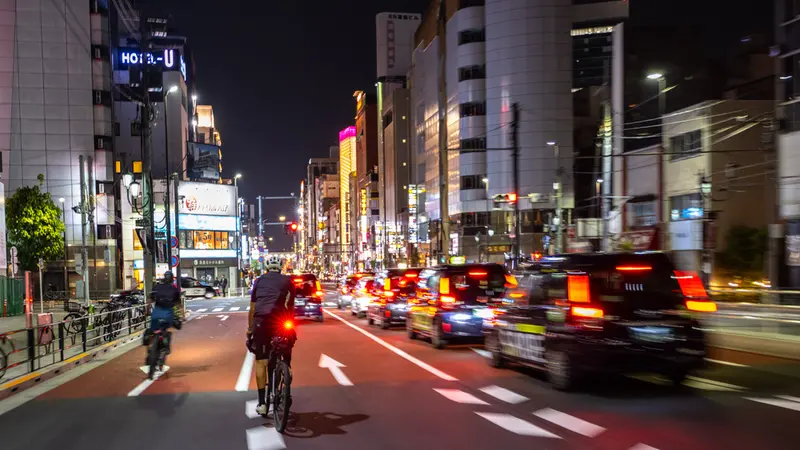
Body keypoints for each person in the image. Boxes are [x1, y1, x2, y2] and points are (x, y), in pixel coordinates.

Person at [247, 255, 296, 416]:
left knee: (261, 362)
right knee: (287, 343)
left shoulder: (259, 281)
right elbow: (290, 305)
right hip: (280, 321)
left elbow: (253, 308)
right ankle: (287, 369)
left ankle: (262, 403)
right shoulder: (288, 281)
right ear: (281, 267)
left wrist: (249, 329)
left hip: (261, 322)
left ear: (267, 268)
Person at [147, 271, 182, 352]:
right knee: (166, 329)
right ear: (172, 279)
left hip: (156, 312)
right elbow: (179, 304)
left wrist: (147, 311)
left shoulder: (156, 287)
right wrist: (181, 316)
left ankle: (151, 345)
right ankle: (166, 347)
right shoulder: (174, 290)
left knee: (153, 330)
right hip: (168, 313)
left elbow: (149, 301)